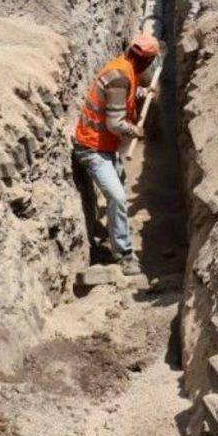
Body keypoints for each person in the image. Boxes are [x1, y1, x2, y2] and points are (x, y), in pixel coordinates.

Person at [72, 33, 160, 275]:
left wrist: (143, 93)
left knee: (118, 186)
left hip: (106, 147)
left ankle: (110, 235)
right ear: (146, 61)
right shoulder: (120, 77)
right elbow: (115, 124)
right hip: (92, 147)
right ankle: (124, 254)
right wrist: (137, 131)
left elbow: (123, 96)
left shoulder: (123, 68)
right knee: (118, 197)